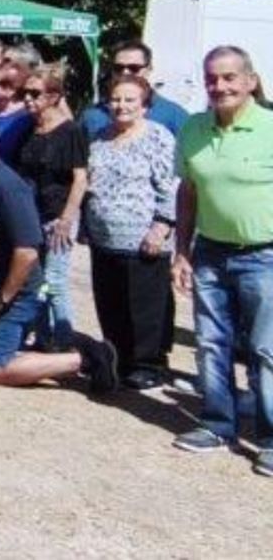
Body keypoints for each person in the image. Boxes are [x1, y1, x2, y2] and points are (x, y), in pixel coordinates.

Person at [0, 114, 116, 393]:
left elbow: (27, 253)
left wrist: (1, 299)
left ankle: (87, 358)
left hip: (15, 290)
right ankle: (63, 343)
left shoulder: (9, 189)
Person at [170, 46, 273, 471]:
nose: (220, 86)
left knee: (266, 350)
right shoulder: (194, 129)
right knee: (212, 343)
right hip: (210, 252)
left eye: (230, 77)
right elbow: (188, 193)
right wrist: (181, 249)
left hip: (265, 255)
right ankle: (217, 424)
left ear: (250, 80)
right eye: (212, 78)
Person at [85, 74, 178, 390]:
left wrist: (161, 227)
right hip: (104, 240)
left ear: (145, 106)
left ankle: (148, 364)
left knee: (144, 308)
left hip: (144, 240)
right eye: (115, 99)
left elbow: (172, 186)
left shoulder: (158, 137)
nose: (121, 106)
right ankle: (117, 358)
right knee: (111, 303)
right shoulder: (99, 137)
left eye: (129, 100)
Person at [15, 66, 90, 351]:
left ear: (54, 95)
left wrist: (66, 219)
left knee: (55, 281)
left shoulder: (71, 131)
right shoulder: (31, 128)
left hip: (59, 214)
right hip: (33, 214)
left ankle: (65, 340)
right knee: (37, 280)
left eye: (35, 94)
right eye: (25, 93)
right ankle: (44, 338)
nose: (28, 99)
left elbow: (80, 179)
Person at [79, 40, 190, 139]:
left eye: (134, 68)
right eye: (119, 68)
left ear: (149, 69)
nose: (125, 73)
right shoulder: (93, 115)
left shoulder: (173, 115)